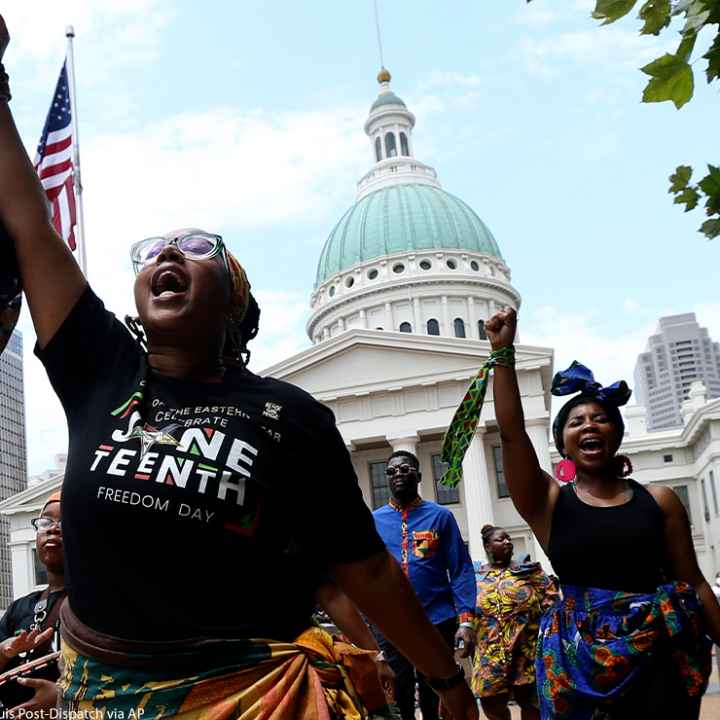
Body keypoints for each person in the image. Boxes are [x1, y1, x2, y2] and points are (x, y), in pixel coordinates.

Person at [0, 16, 478, 720]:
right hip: (100, 697)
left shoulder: (290, 417)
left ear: (235, 300)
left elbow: (366, 569)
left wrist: (447, 681)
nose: (166, 253)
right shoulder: (101, 368)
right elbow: (30, 222)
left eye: (196, 247)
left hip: (256, 698)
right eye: (153, 250)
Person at [482, 306, 720, 719]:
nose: (589, 425)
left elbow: (695, 583)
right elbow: (512, 433)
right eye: (577, 421)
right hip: (579, 668)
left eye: (601, 419)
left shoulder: (660, 499)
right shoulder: (548, 502)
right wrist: (503, 355)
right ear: (562, 442)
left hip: (658, 658)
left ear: (616, 434)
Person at [372, 450, 476, 720]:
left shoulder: (440, 516)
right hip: (391, 624)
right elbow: (368, 574)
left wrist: (465, 621)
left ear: (418, 475)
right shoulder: (374, 521)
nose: (398, 475)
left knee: (437, 689)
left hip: (437, 619)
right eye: (392, 471)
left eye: (405, 469)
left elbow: (461, 569)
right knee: (399, 689)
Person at [471, 524, 558, 720]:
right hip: (489, 655)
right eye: (500, 539)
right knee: (493, 708)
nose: (507, 542)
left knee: (532, 705)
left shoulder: (529, 572)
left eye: (508, 538)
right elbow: (463, 607)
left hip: (526, 652)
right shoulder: (473, 577)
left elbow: (552, 598)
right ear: (487, 546)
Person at [0, 492, 64, 715]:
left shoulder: (99, 602)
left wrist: (63, 699)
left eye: (64, 521)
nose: (53, 528)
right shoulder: (19, 608)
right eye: (45, 521)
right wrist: (5, 650)